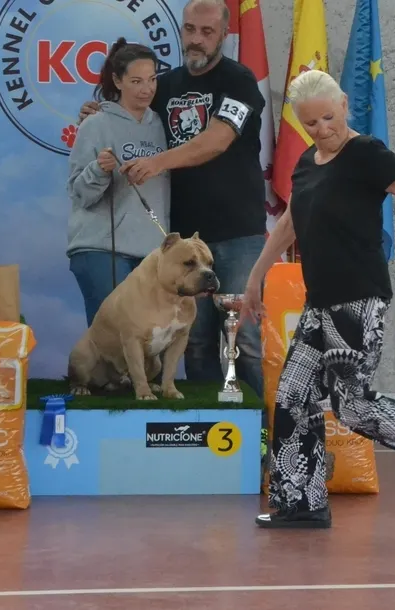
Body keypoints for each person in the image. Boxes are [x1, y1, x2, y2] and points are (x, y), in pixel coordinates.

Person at [238, 69, 395, 529]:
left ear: (344, 104)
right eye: (311, 123)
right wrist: (254, 279)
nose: (322, 129)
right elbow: (289, 222)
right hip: (319, 303)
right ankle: (301, 504)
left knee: (352, 406)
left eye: (329, 117)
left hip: (358, 301)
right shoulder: (306, 162)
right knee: (291, 398)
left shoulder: (368, 154)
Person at [77, 0, 267, 400]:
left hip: (238, 234)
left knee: (245, 338)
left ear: (224, 34)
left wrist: (157, 162)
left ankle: (262, 427)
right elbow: (132, 112)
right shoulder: (164, 85)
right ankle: (205, 426)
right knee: (193, 341)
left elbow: (217, 140)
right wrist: (98, 114)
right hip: (182, 240)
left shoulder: (239, 81)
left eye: (207, 32)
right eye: (190, 29)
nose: (196, 39)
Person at [66, 39, 169, 327]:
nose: (146, 89)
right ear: (117, 80)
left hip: (151, 252)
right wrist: (99, 170)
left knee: (145, 338)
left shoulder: (163, 125)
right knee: (111, 336)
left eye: (152, 80)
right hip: (101, 249)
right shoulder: (95, 124)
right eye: (136, 81)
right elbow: (78, 193)